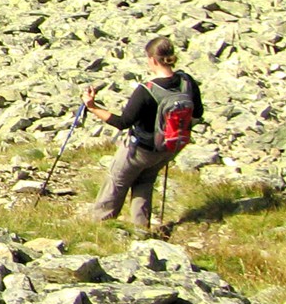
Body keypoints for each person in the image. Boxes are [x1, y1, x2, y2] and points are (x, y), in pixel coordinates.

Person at [82, 36, 203, 229]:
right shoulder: (186, 82)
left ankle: (100, 226)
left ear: (153, 60)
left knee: (117, 182)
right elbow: (198, 113)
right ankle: (140, 230)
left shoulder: (146, 90)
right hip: (170, 147)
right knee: (144, 182)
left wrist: (92, 106)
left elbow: (123, 122)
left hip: (141, 149)